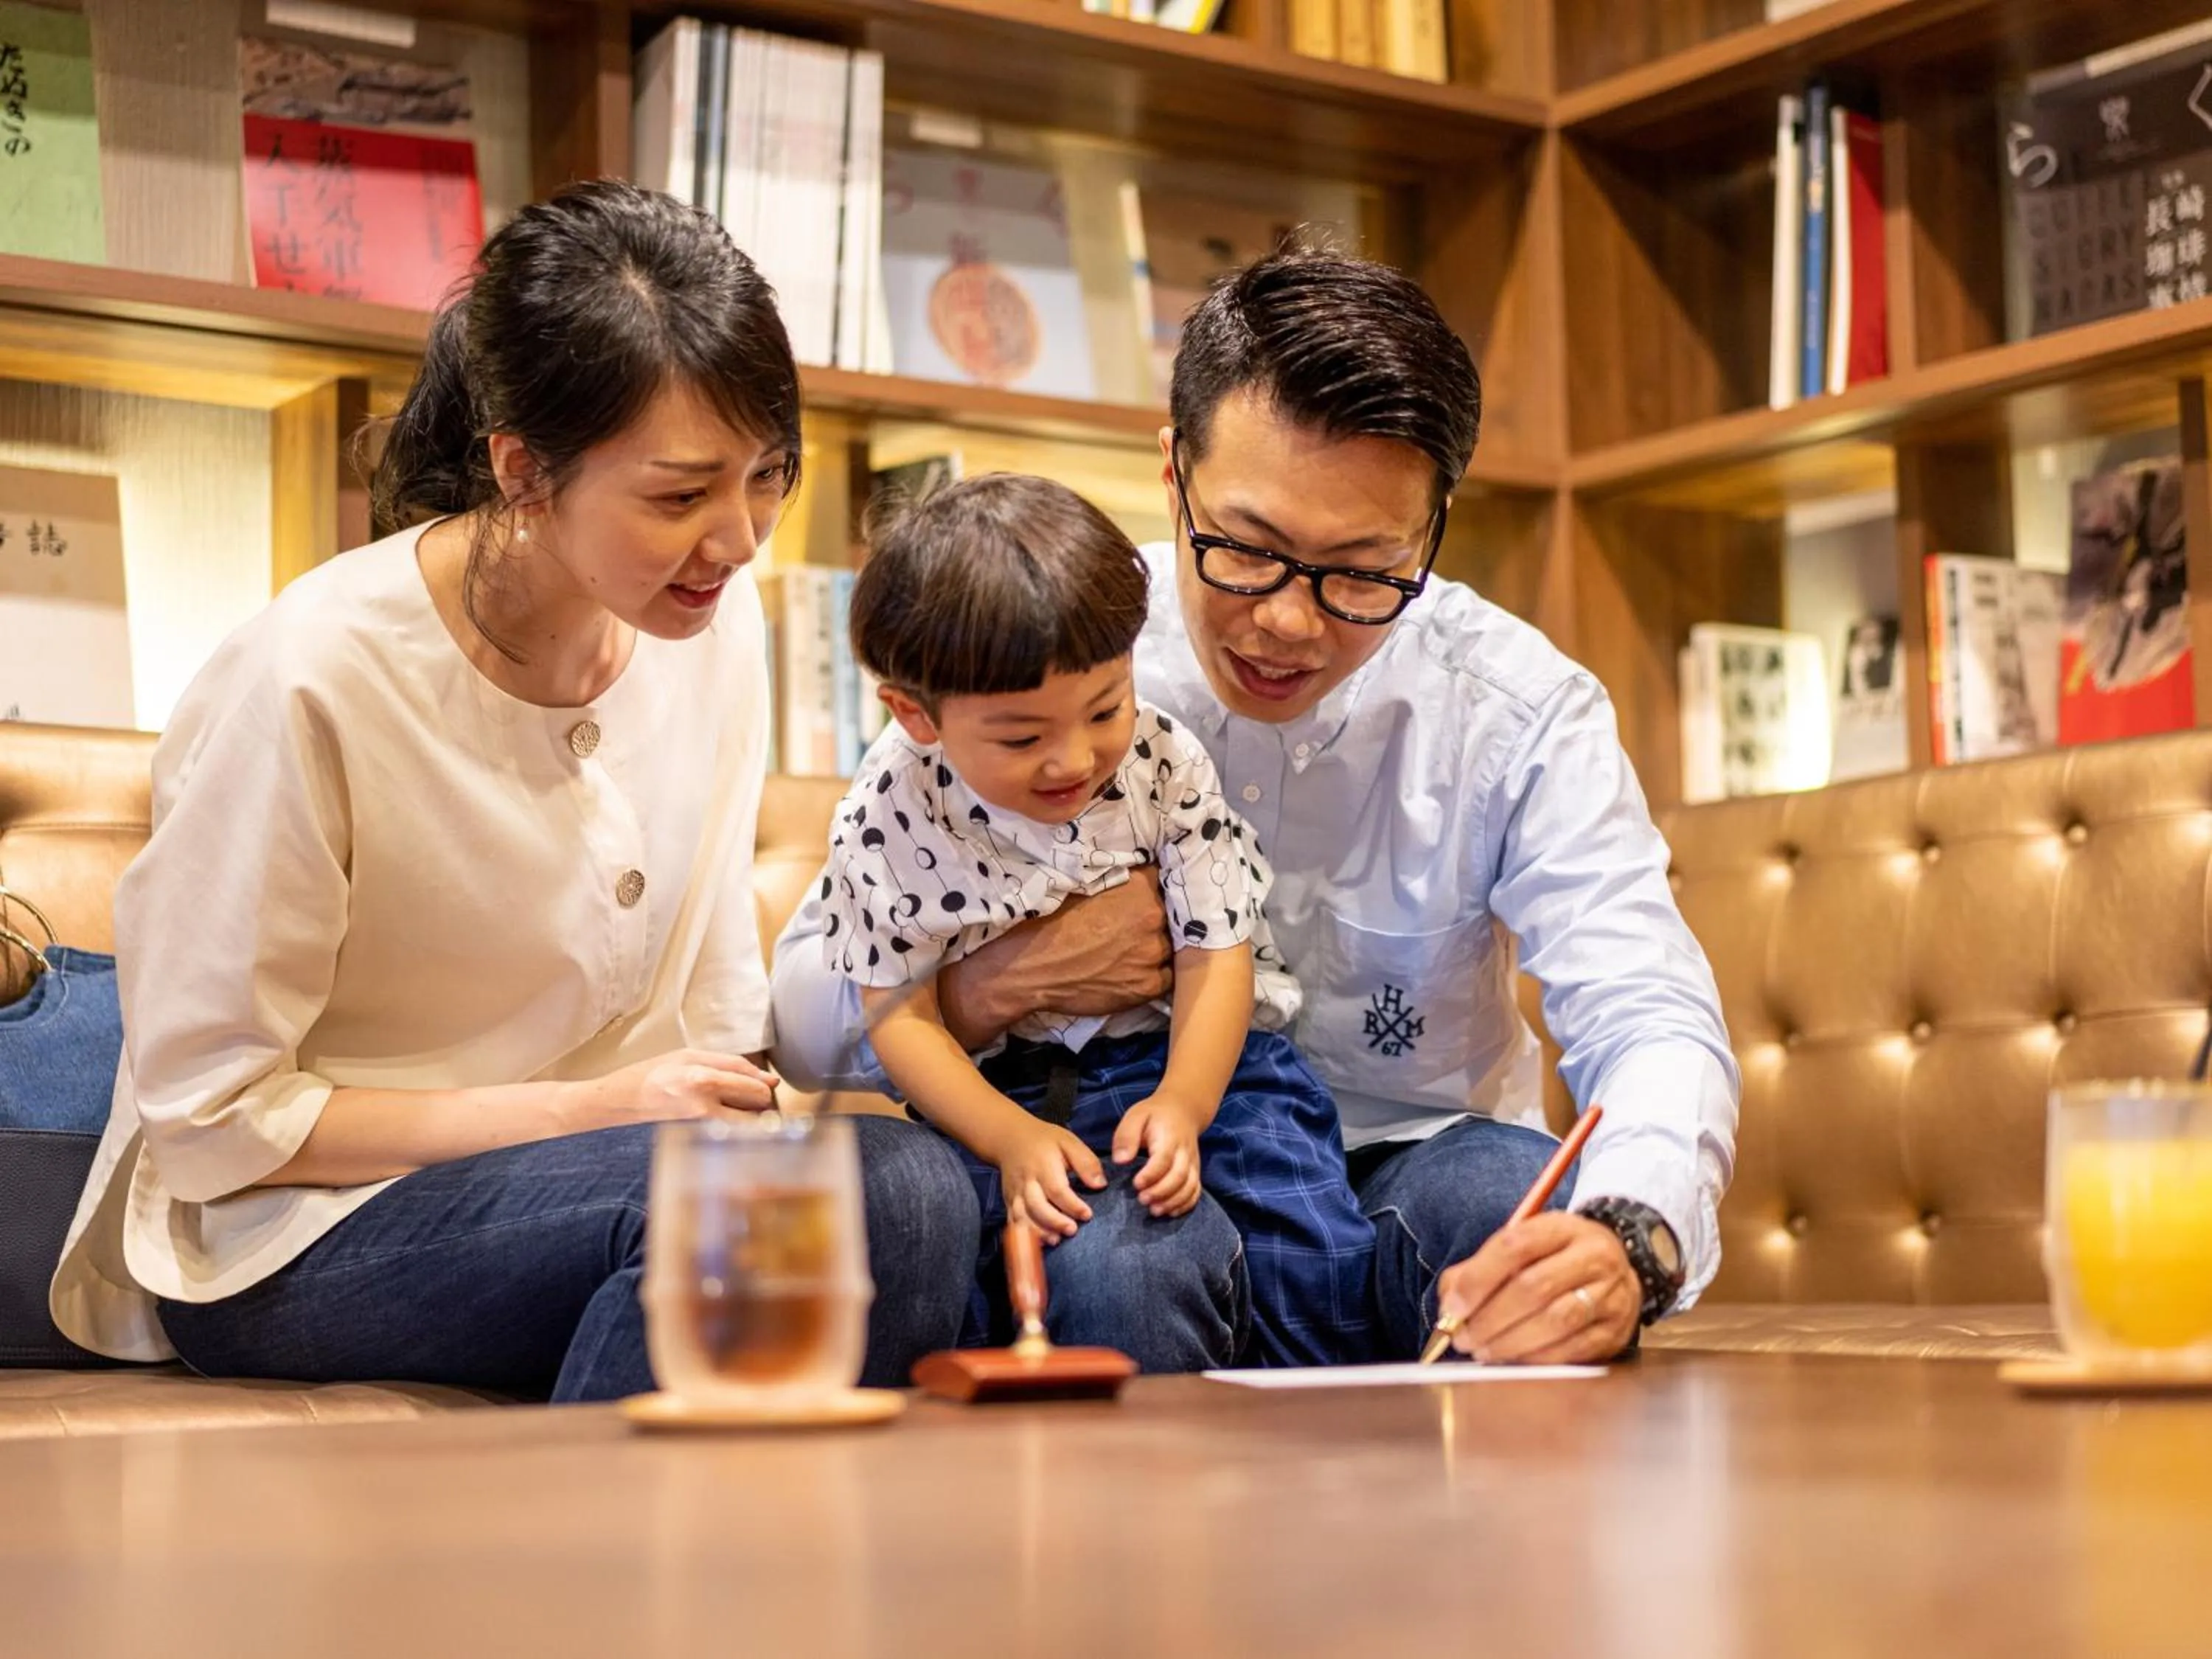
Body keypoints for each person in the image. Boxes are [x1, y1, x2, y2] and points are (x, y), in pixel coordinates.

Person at [47, 181, 978, 1401]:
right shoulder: (308, 677)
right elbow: (213, 1122)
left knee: (914, 1193)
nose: (741, 537)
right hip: (297, 1229)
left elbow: (709, 1010)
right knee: (786, 1209)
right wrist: (594, 1111)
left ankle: (689, 1517)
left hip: (610, 1169)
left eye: (769, 474)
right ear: (524, 472)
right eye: (680, 494)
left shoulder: (712, 628)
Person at [773, 246, 1739, 1369]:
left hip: (1410, 1155)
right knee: (1122, 1267)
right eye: (1247, 550)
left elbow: (1647, 1007)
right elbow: (806, 1019)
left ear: (1432, 529)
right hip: (1118, 1144)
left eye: (1364, 570)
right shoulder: (1050, 651)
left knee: (1508, 1206)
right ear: (1173, 474)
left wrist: (1633, 1236)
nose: (1289, 622)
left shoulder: (1514, 709)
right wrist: (998, 985)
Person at [822, 474, 1373, 1369]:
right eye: (1021, 738)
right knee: (1005, 1272)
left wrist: (1186, 1103)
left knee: (1309, 1244)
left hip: (1207, 1058)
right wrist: (1006, 1138)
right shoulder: (886, 813)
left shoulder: (1162, 757)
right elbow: (897, 1013)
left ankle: (1324, 1429)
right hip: (1009, 1092)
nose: (1074, 759)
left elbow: (1215, 952)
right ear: (916, 713)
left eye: (1105, 709)